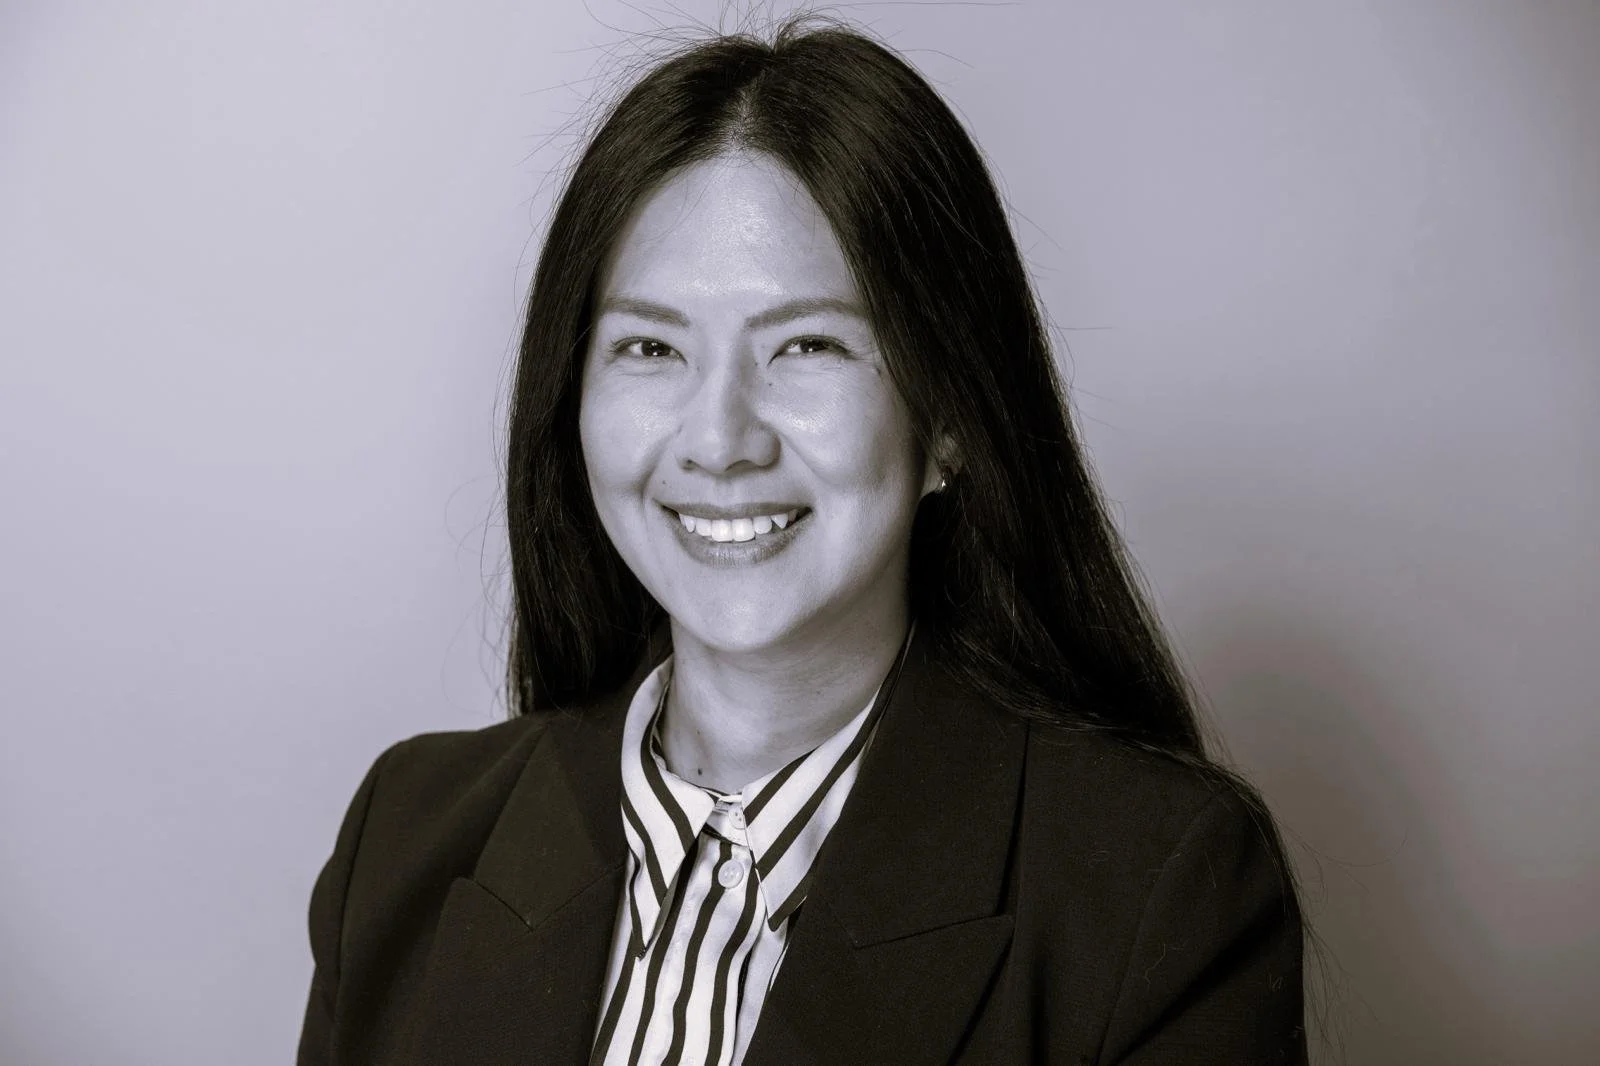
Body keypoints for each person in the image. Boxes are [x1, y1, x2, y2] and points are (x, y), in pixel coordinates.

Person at [297, 16, 1310, 1065]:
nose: (720, 439)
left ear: (951, 420)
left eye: (808, 345)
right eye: (650, 346)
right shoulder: (406, 841)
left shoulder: (1158, 889)